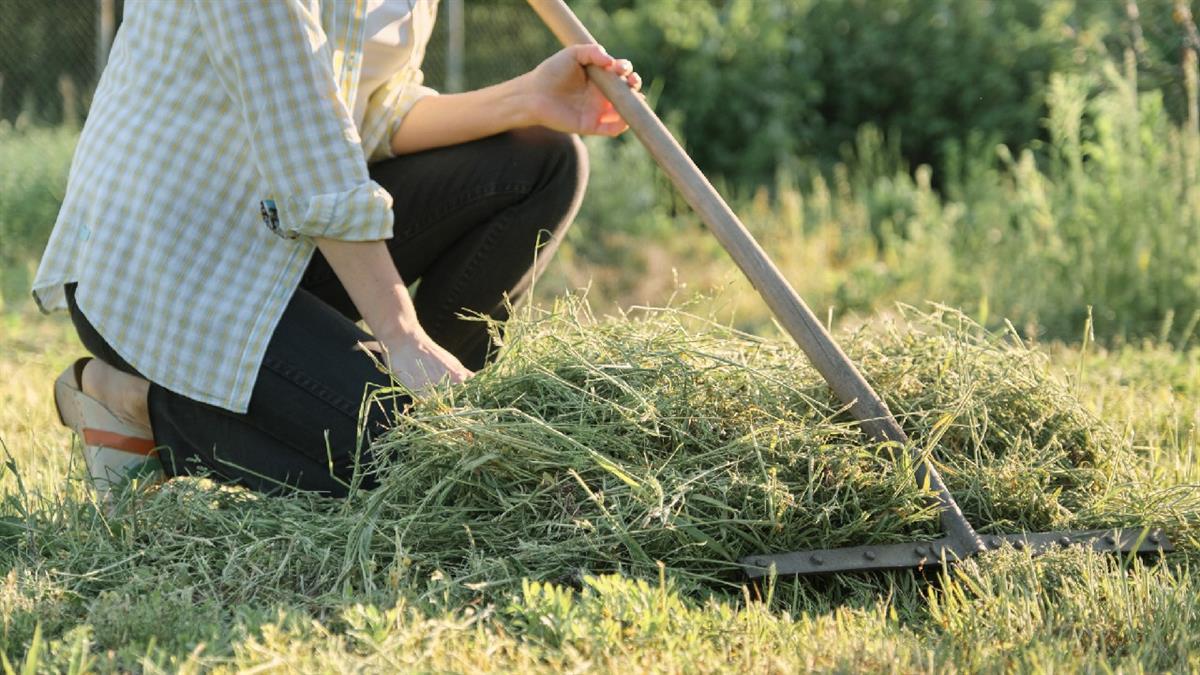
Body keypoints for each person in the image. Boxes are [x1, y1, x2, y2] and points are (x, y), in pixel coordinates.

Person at [34, 0, 641, 499]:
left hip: (282, 241)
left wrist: (527, 99)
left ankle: (451, 411)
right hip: (167, 260)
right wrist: (400, 335)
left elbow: (374, 114)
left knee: (543, 160)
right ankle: (134, 400)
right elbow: (312, 156)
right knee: (405, 474)